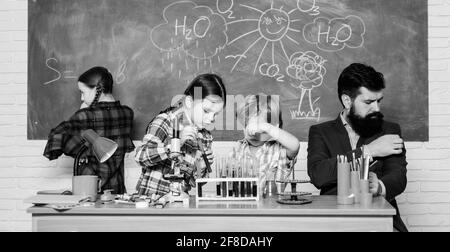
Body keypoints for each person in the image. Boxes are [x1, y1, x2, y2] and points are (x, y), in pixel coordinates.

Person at [307, 63, 408, 232]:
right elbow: (319, 175)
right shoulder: (320, 132)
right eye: (369, 102)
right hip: (333, 222)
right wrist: (369, 151)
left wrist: (380, 186)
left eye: (378, 101)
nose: (376, 108)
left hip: (379, 221)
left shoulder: (389, 130)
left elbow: (398, 176)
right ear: (347, 100)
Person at [44, 66, 135, 194]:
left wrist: (82, 111)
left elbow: (55, 139)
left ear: (98, 89)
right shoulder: (127, 113)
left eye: (83, 92)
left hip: (88, 191)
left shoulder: (84, 116)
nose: (81, 98)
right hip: (116, 191)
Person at [135, 73, 227, 196]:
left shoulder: (205, 137)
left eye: (216, 114)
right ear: (189, 102)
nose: (211, 119)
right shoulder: (165, 121)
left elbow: (195, 182)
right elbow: (140, 157)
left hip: (180, 205)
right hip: (152, 205)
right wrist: (175, 143)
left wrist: (202, 166)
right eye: (206, 111)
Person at [234, 94, 300, 194]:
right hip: (243, 206)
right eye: (246, 125)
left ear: (274, 127)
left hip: (272, 207)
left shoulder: (279, 150)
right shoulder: (238, 148)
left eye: (257, 126)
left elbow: (295, 145)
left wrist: (267, 128)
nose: (251, 131)